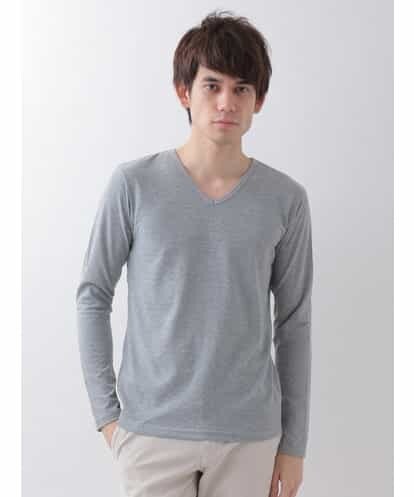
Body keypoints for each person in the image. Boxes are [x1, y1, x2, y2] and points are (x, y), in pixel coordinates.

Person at [76, 9, 313, 497]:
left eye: (241, 88)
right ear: (184, 92)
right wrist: (107, 417)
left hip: (249, 437)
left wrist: (294, 445)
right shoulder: (134, 185)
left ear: (259, 100)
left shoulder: (286, 199)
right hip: (151, 433)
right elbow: (92, 295)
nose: (227, 102)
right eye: (212, 85)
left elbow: (295, 322)